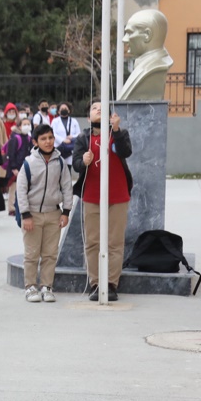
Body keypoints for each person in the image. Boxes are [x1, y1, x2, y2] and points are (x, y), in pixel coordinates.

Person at [73, 102, 132, 301]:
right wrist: (84, 161)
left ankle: (111, 284)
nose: (98, 109)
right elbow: (76, 164)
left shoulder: (118, 134)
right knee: (92, 242)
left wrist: (116, 130)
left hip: (117, 194)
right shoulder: (83, 138)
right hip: (91, 195)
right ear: (88, 117)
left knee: (115, 241)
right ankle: (96, 283)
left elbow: (125, 152)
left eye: (101, 107)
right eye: (93, 107)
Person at [16, 125, 72, 303]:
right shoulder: (28, 163)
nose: (48, 142)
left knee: (50, 254)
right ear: (35, 142)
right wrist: (25, 215)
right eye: (43, 139)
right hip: (32, 215)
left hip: (53, 213)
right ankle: (30, 286)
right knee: (32, 253)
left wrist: (66, 212)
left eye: (50, 137)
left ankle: (47, 286)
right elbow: (21, 190)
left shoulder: (60, 162)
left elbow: (67, 186)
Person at [3, 117, 34, 212]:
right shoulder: (15, 138)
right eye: (24, 124)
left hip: (25, 166)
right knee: (14, 188)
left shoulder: (29, 138)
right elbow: (11, 154)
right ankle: (12, 208)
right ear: (19, 126)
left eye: (28, 124)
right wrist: (13, 168)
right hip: (16, 168)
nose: (27, 126)